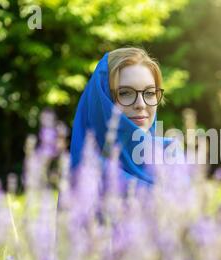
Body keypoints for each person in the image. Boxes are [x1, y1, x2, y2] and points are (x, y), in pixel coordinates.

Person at [68, 47, 177, 196]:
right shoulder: (87, 177)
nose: (141, 104)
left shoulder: (172, 159)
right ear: (103, 102)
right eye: (125, 93)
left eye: (150, 93)